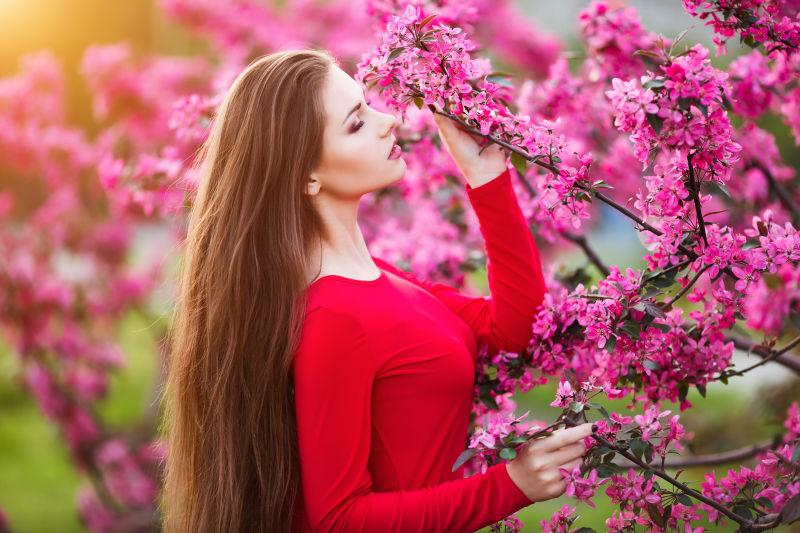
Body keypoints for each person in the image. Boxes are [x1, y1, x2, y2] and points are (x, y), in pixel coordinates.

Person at [161, 48, 594, 533]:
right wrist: (510, 485)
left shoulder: (377, 276)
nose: (388, 121)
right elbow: (340, 519)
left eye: (368, 105)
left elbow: (515, 329)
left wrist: (486, 179)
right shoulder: (333, 316)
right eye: (356, 123)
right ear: (307, 176)